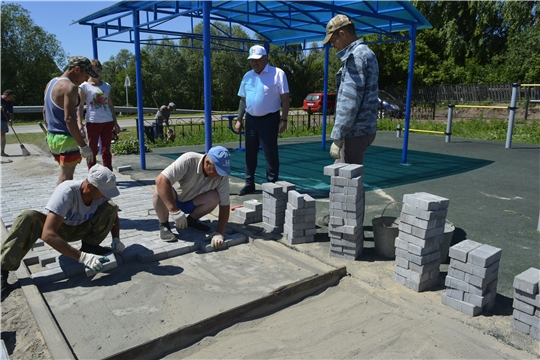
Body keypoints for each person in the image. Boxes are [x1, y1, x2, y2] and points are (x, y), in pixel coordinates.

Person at [1, 164, 125, 297]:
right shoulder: (66, 192)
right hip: (59, 230)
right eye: (104, 193)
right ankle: (2, 270)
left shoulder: (100, 195)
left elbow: (114, 215)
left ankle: (90, 247)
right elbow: (48, 234)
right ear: (89, 186)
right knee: (28, 217)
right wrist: (82, 258)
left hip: (81, 228)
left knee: (111, 207)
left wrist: (116, 239)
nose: (105, 196)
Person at [316, 14, 379, 227]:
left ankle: (350, 225)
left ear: (342, 34)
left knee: (349, 181)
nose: (333, 45)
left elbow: (349, 101)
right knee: (341, 175)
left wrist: (339, 137)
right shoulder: (367, 53)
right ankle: (339, 217)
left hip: (354, 131)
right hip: (363, 128)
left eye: (333, 40)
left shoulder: (356, 57)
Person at [235, 45, 290, 196]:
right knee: (250, 153)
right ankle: (249, 183)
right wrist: (239, 119)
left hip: (270, 119)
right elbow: (243, 100)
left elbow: (285, 98)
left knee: (270, 153)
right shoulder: (247, 76)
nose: (254, 63)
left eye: (257, 60)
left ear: (265, 58)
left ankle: (272, 184)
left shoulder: (277, 74)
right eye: (252, 60)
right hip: (251, 119)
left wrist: (284, 120)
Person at [153, 146, 231, 247]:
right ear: (207, 163)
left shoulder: (222, 176)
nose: (219, 175)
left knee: (214, 197)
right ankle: (164, 226)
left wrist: (219, 233)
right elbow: (160, 180)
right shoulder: (189, 160)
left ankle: (191, 221)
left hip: (192, 203)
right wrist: (174, 210)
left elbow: (225, 205)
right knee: (159, 189)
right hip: (174, 199)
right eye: (218, 170)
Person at [43, 56, 98, 184]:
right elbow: (69, 119)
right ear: (77, 69)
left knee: (64, 176)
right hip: (67, 139)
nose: (86, 79)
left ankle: (63, 202)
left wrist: (50, 131)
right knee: (66, 179)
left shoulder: (51, 83)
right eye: (86, 74)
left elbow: (44, 111)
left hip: (53, 137)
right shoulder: (70, 87)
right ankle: (60, 204)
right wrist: (83, 146)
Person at [78, 59, 121, 171]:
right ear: (89, 72)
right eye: (93, 70)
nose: (96, 72)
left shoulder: (106, 86)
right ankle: (92, 174)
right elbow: (81, 106)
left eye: (98, 70)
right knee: (92, 149)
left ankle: (108, 173)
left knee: (106, 149)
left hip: (107, 121)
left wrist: (115, 122)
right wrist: (79, 123)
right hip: (93, 122)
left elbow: (110, 104)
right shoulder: (84, 86)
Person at [1, 89, 15, 157]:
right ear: (6, 95)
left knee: (2, 134)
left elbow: (11, 113)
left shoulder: (9, 103)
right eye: (10, 97)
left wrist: (10, 119)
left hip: (3, 120)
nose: (11, 98)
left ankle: (2, 151)